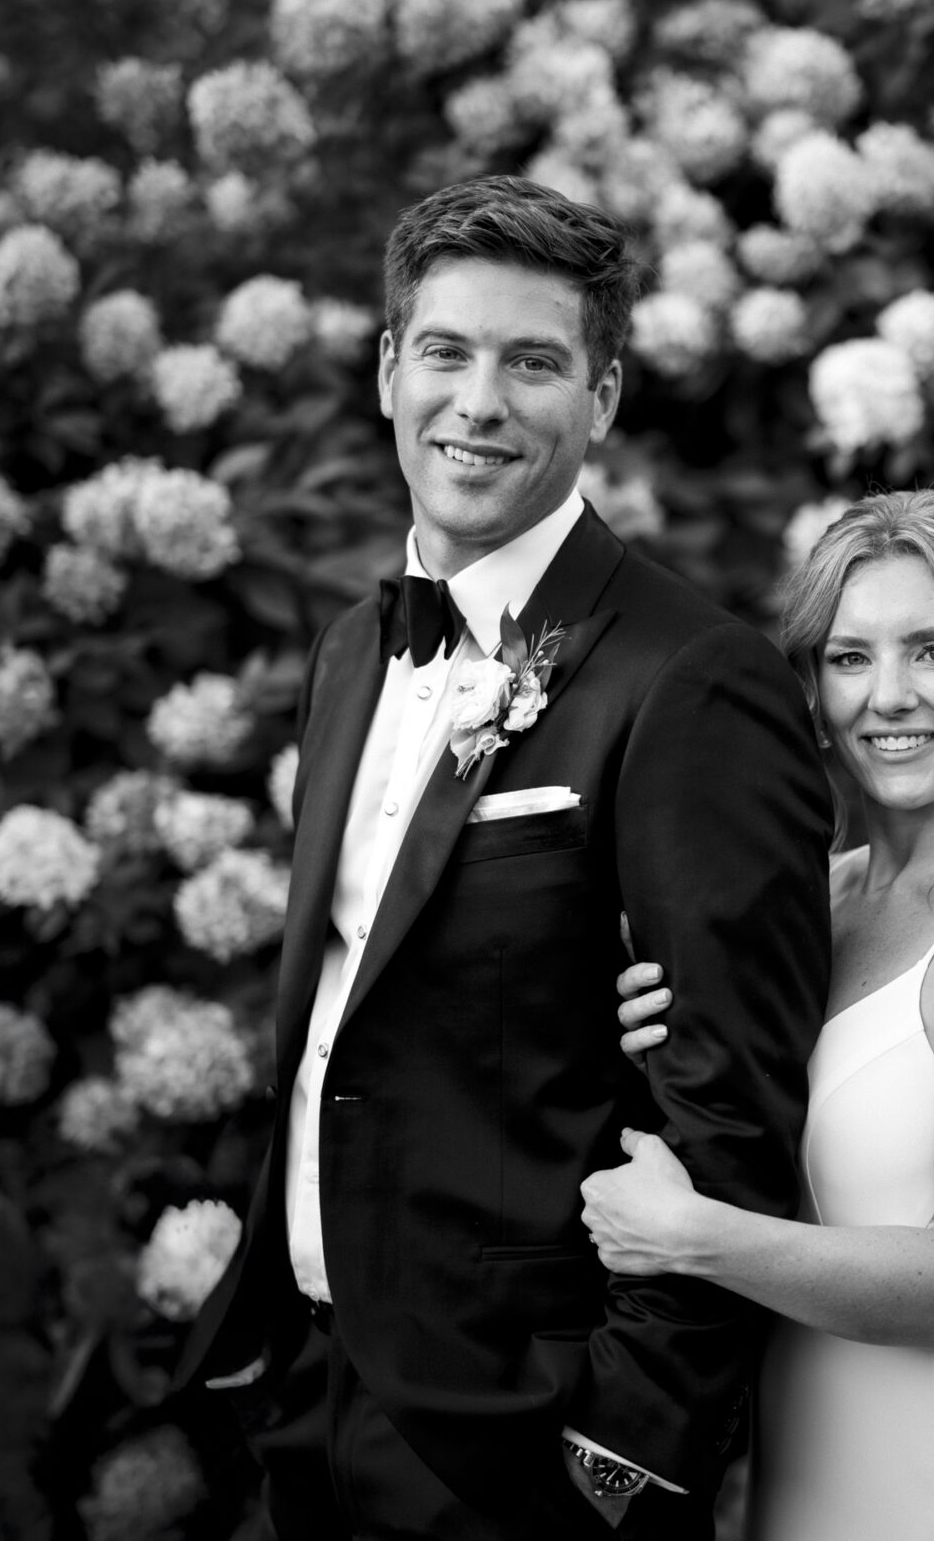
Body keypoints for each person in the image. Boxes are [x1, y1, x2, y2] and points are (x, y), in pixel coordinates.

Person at [175, 175, 835, 1541]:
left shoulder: (691, 682)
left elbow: (732, 1117)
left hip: (520, 1449)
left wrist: (615, 1466)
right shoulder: (352, 651)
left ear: (598, 401)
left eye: (533, 362)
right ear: (387, 372)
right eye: (447, 352)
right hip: (306, 1388)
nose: (478, 401)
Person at [581, 490, 934, 1541]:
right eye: (848, 658)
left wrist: (696, 1238)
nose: (888, 696)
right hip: (797, 1490)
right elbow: (740, 1132)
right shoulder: (813, 900)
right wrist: (642, 1034)